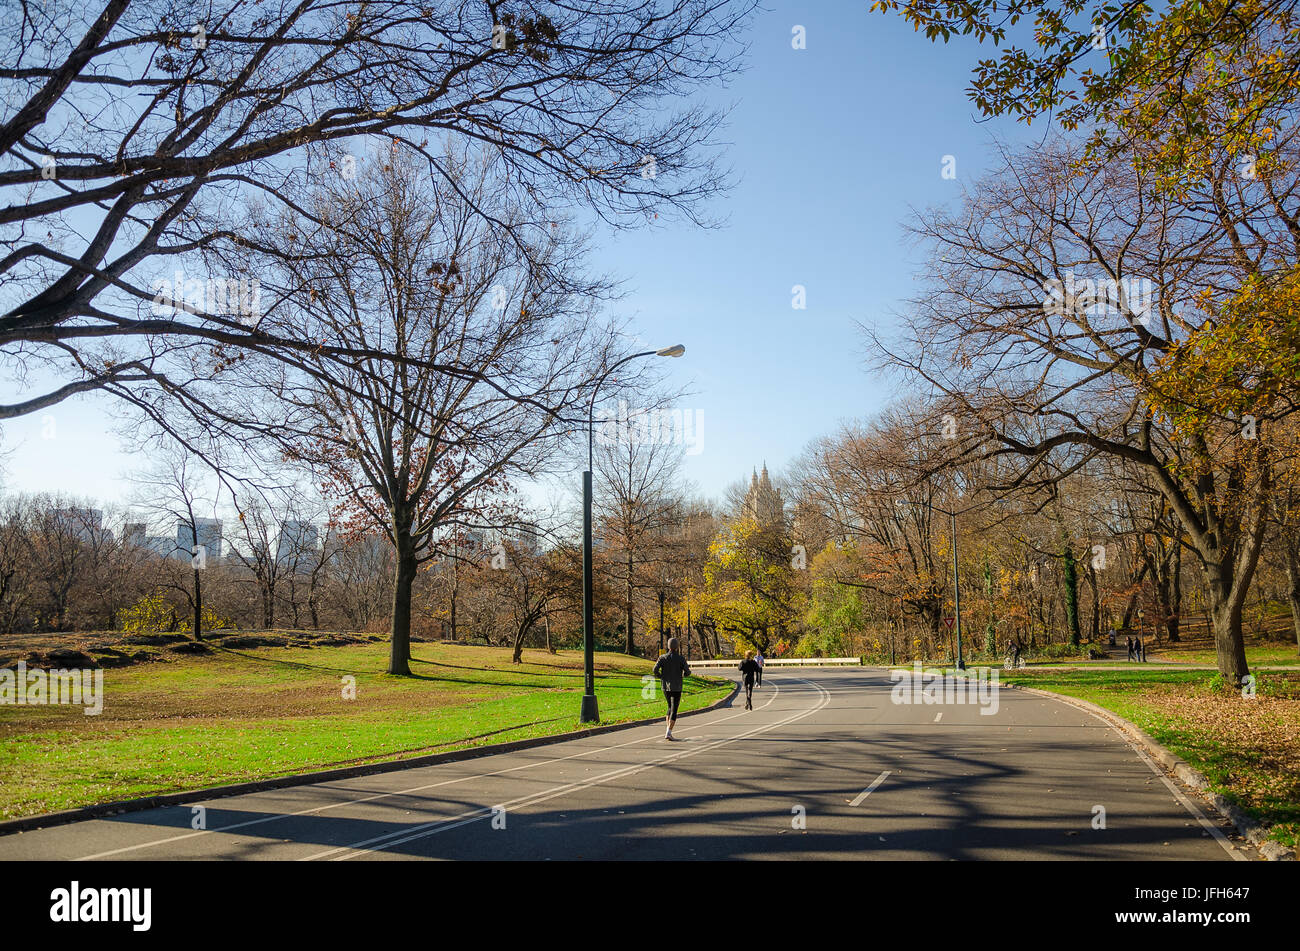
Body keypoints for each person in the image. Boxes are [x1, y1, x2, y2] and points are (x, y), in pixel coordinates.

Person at [652, 637, 691, 740]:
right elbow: (688, 672)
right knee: (674, 709)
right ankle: (668, 732)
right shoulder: (681, 659)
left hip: (665, 686)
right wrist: (684, 674)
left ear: (668, 646)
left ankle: (668, 730)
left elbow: (654, 669)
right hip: (677, 686)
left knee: (669, 707)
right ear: (677, 647)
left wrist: (661, 676)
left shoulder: (662, 658)